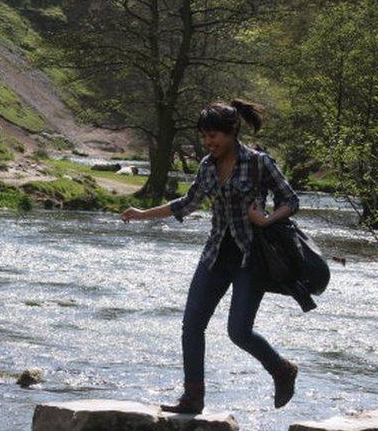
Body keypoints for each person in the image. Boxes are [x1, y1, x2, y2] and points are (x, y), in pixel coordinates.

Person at [121, 99, 300, 413]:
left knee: (239, 332)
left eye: (213, 136)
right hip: (215, 256)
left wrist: (267, 219)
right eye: (204, 136)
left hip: (251, 259)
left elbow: (291, 200)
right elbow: (187, 204)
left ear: (232, 132)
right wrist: (141, 214)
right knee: (191, 326)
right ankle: (193, 398)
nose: (208, 142)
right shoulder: (206, 166)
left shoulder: (259, 162)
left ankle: (282, 369)